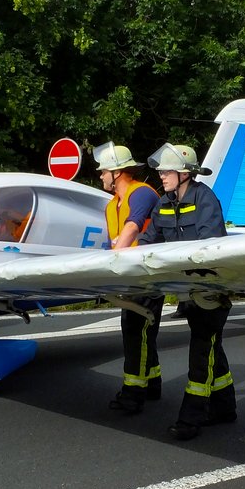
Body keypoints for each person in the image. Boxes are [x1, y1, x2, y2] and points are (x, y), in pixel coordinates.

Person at [138, 143, 236, 441]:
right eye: (161, 172)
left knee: (201, 348)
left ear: (185, 174)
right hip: (187, 293)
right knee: (211, 348)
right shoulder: (164, 203)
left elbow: (210, 248)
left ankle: (191, 417)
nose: (162, 176)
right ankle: (225, 407)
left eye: (167, 171)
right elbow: (149, 239)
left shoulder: (205, 199)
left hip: (211, 292)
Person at [92, 142, 164, 414]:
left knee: (136, 332)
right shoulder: (112, 205)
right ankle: (152, 383)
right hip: (129, 276)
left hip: (147, 275)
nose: (101, 176)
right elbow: (115, 239)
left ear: (118, 173)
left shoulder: (142, 193)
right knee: (140, 331)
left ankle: (133, 394)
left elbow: (133, 226)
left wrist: (111, 263)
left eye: (104, 171)